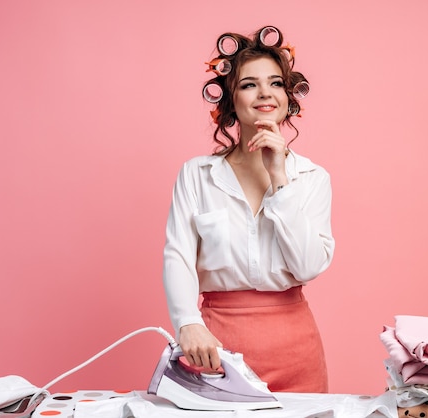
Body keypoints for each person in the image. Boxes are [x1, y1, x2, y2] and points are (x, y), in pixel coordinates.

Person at [162, 25, 335, 393]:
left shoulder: (312, 177)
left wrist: (278, 177)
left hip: (296, 351)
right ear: (230, 100)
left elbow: (308, 266)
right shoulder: (197, 174)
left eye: (275, 83)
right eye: (248, 84)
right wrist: (187, 322)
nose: (264, 93)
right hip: (216, 347)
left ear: (289, 97)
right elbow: (178, 254)